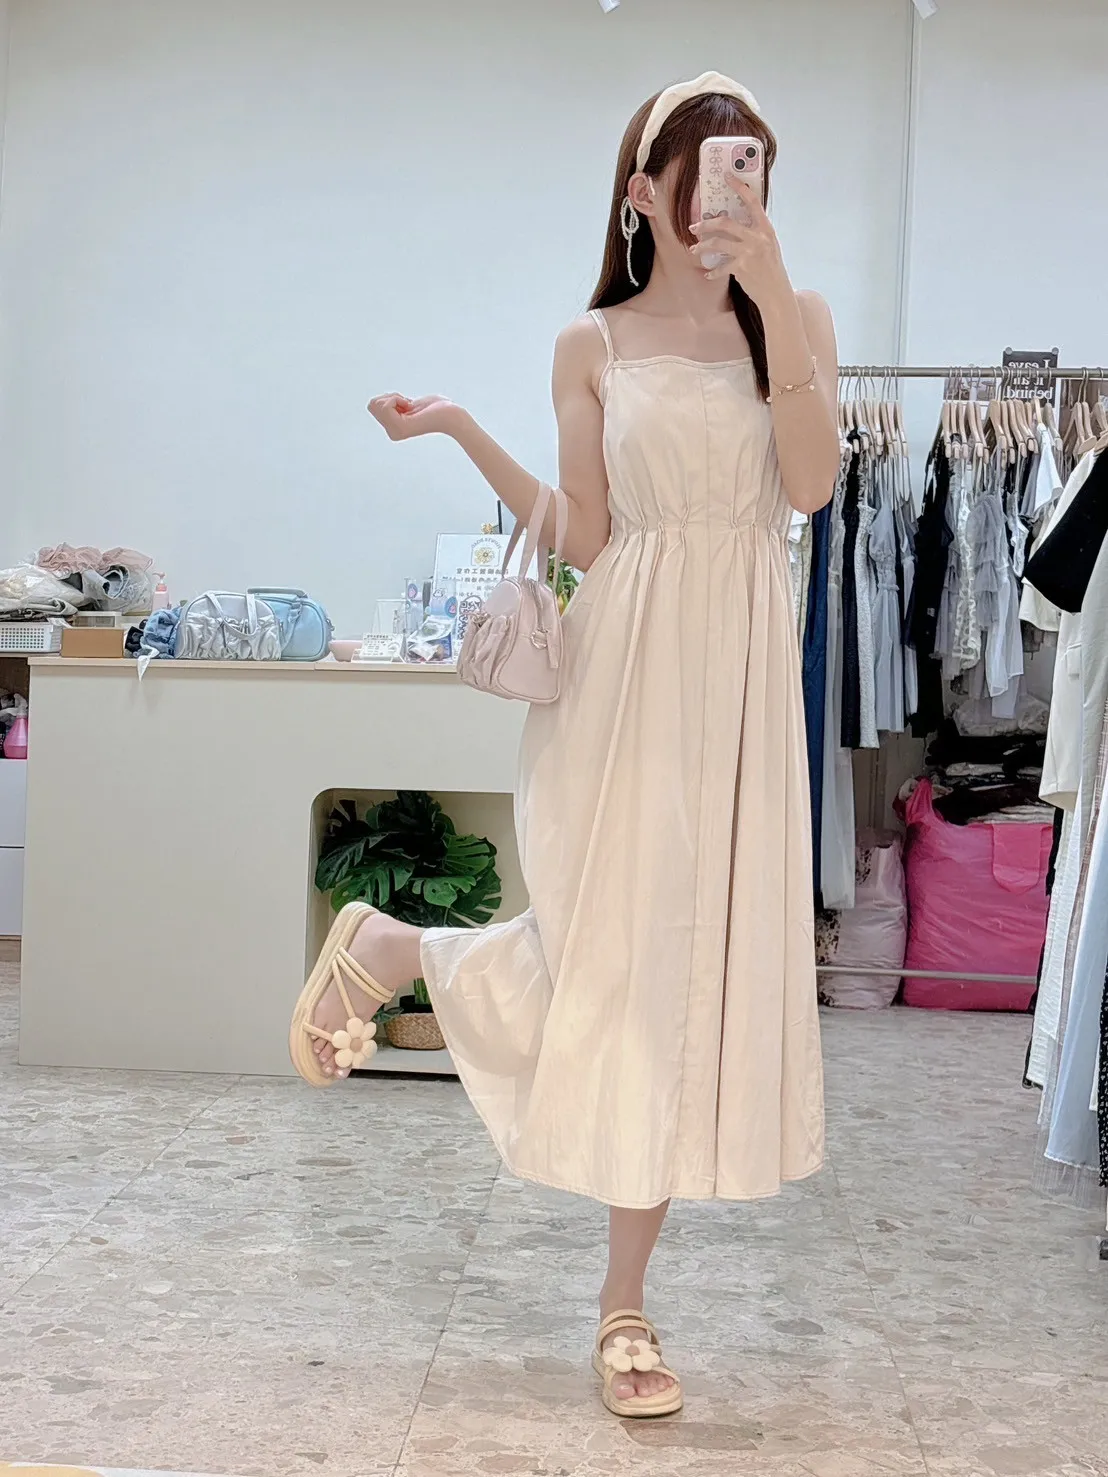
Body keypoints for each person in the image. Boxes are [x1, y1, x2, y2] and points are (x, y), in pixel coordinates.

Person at [289, 71, 839, 1419]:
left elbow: (813, 484)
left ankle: (619, 1297)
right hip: (622, 672)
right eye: (707, 170)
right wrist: (461, 430)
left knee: (684, 970)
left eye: (755, 166)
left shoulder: (798, 318)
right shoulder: (589, 344)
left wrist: (774, 292)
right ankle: (399, 957)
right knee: (613, 954)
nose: (732, 192)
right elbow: (587, 535)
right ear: (643, 192)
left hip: (742, 678)